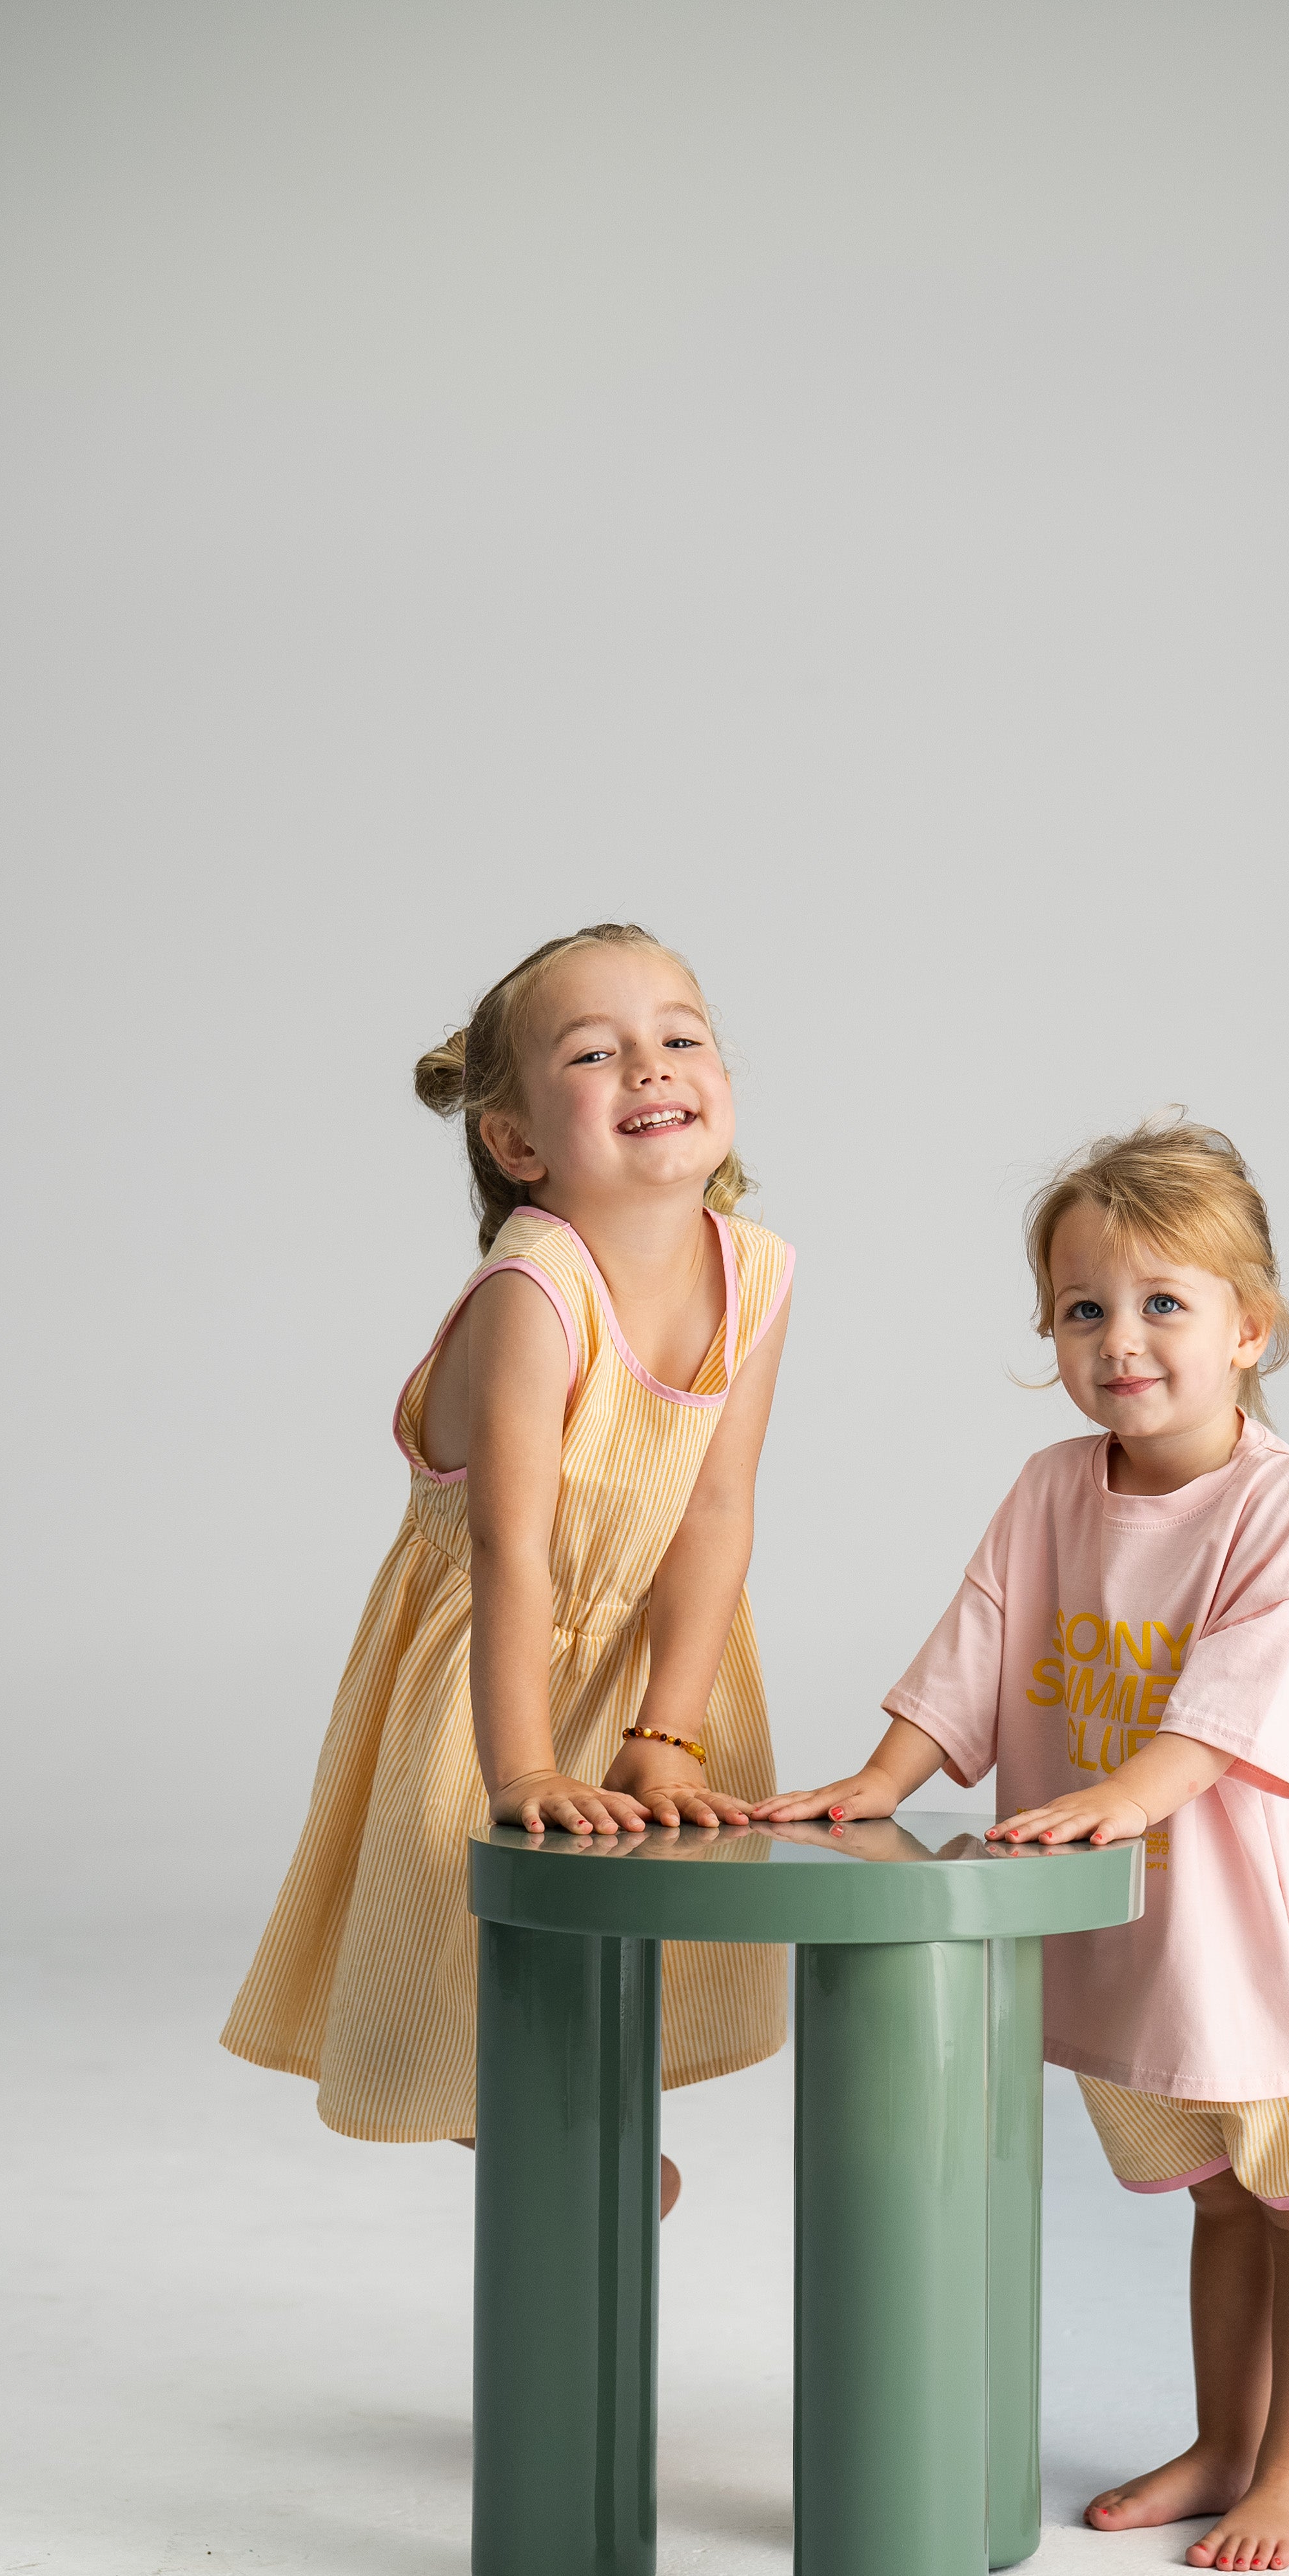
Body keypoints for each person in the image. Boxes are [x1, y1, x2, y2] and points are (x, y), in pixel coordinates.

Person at [757, 1117, 1289, 2568]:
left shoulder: (1281, 1505)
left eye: (1162, 1304)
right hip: (1152, 1943)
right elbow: (979, 1644)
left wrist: (1133, 1792)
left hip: (1272, 1938)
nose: (1119, 1340)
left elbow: (1251, 1684)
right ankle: (1219, 2440)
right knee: (1215, 2208)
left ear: (1250, 1329)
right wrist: (886, 1772)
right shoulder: (1053, 1490)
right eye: (1083, 1310)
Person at [222, 923, 794, 2214]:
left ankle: (583, 2123)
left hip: (648, 1639)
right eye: (597, 1053)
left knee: (633, 1896)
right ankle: (540, 2132)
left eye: (680, 1037)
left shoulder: (753, 1272)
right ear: (520, 1142)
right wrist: (524, 1763)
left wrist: (671, 1728)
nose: (652, 1066)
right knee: (469, 1933)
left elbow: (713, 1511)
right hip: (498, 1652)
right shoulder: (533, 1289)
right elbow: (509, 1552)